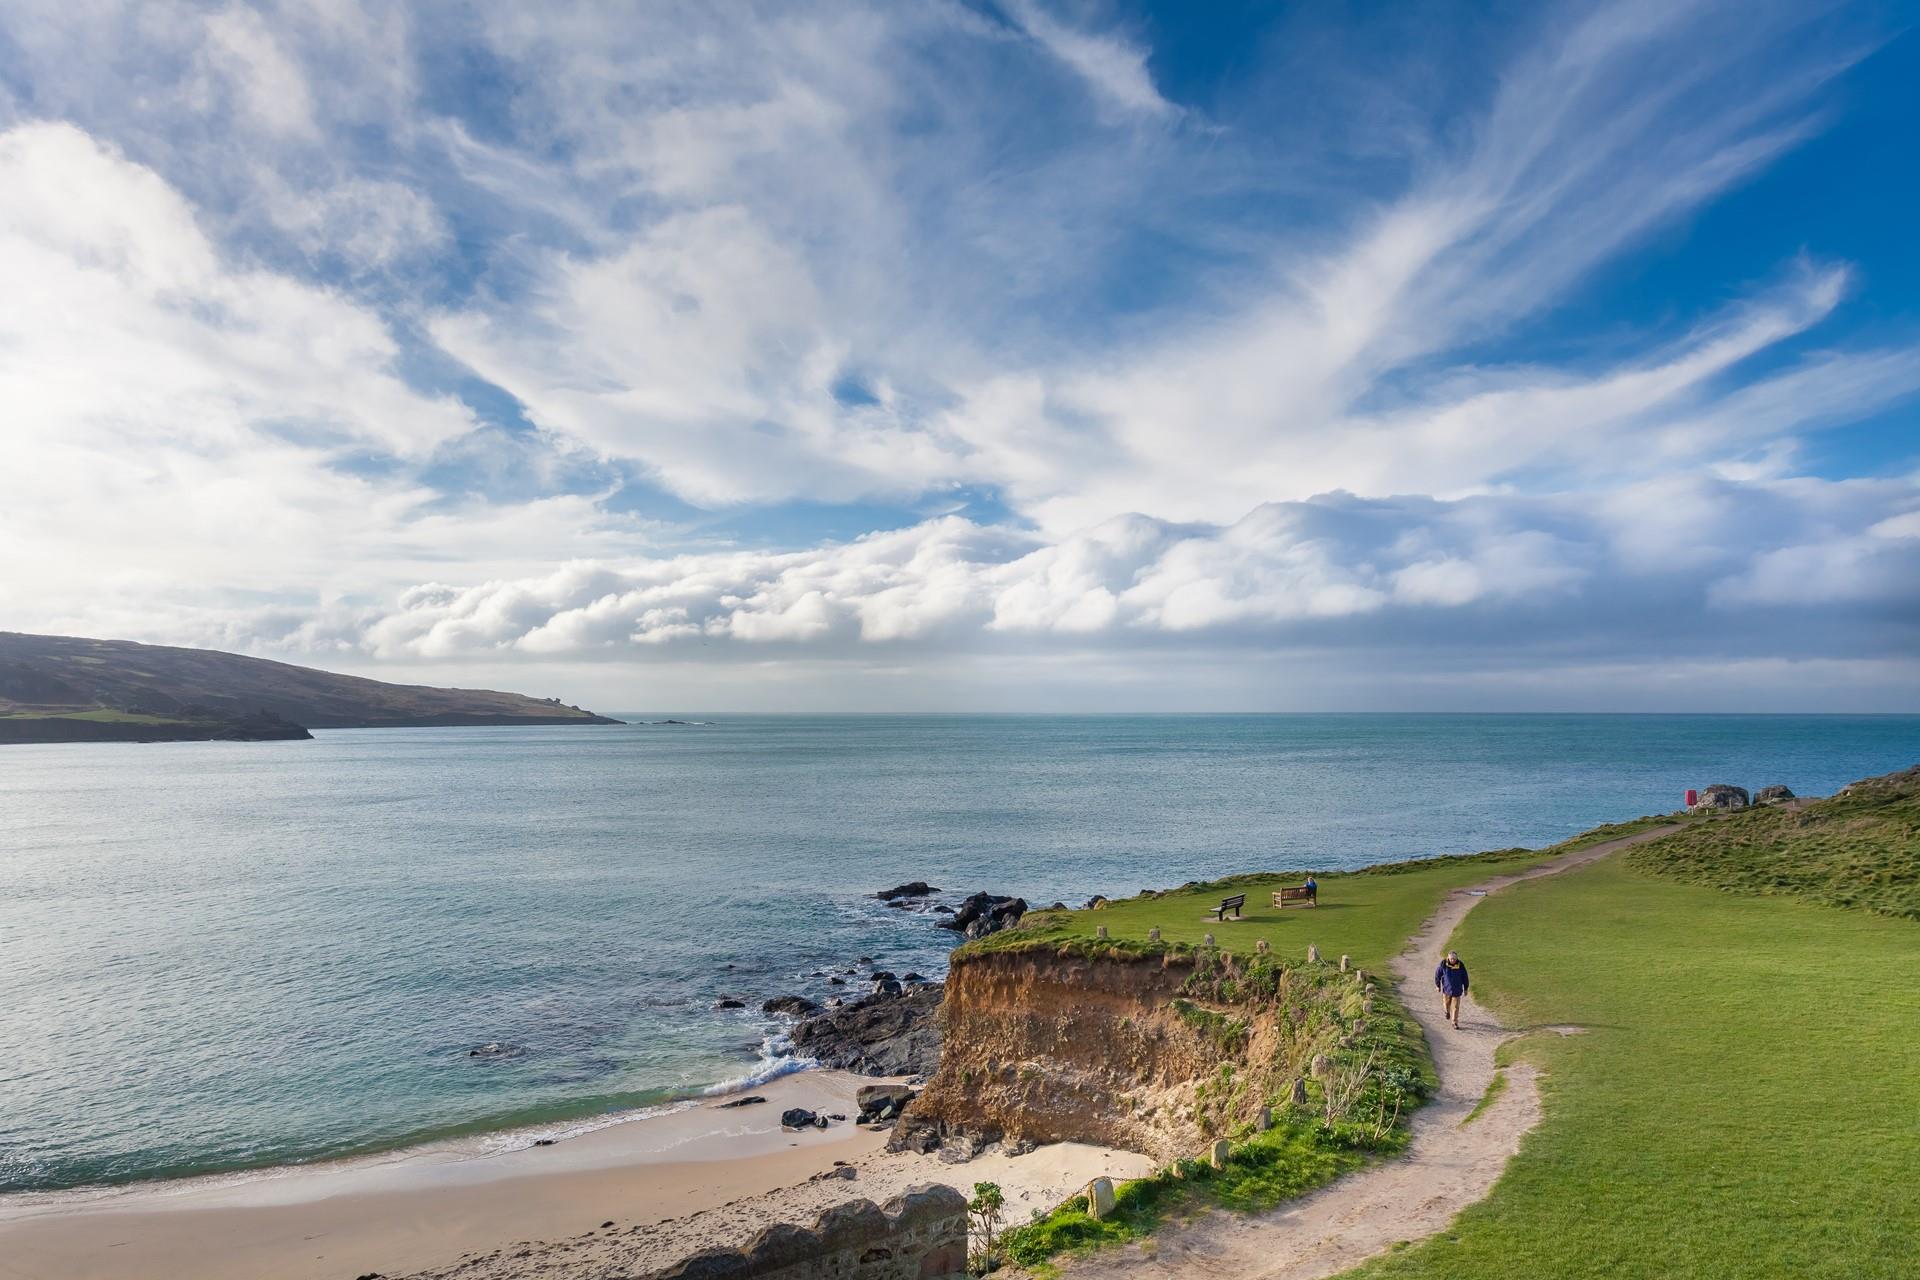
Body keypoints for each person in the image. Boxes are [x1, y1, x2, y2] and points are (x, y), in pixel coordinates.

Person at [1434, 951, 1469, 1029]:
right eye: (1451, 958)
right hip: (1447, 990)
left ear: (1456, 958)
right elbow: (1437, 975)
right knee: (1446, 1004)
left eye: (1454, 958)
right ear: (1448, 958)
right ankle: (1447, 1012)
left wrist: (1466, 988)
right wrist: (1438, 985)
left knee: (1456, 1007)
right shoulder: (1443, 965)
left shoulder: (1460, 966)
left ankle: (1454, 1022)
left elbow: (1465, 977)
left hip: (1457, 990)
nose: (1453, 960)